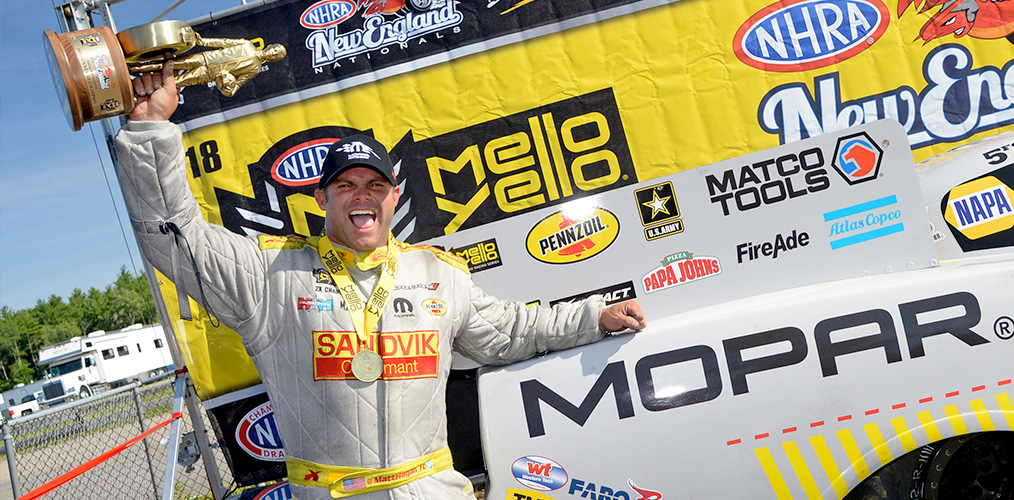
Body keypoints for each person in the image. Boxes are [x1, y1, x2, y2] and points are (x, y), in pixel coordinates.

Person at [114, 60, 646, 499]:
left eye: (375, 183)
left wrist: (592, 316)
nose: (361, 194)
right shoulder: (270, 274)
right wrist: (149, 131)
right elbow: (173, 233)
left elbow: (510, 331)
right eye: (344, 185)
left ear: (394, 197)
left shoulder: (436, 274)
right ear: (321, 199)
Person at [128, 32, 286, 97]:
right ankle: (133, 68)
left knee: (172, 83)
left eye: (276, 56)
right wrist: (203, 41)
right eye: (275, 50)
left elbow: (234, 89)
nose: (273, 53)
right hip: (206, 58)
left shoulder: (255, 69)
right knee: (167, 64)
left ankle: (136, 93)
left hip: (207, 74)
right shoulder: (247, 46)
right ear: (270, 46)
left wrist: (228, 84)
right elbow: (224, 43)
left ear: (274, 60)